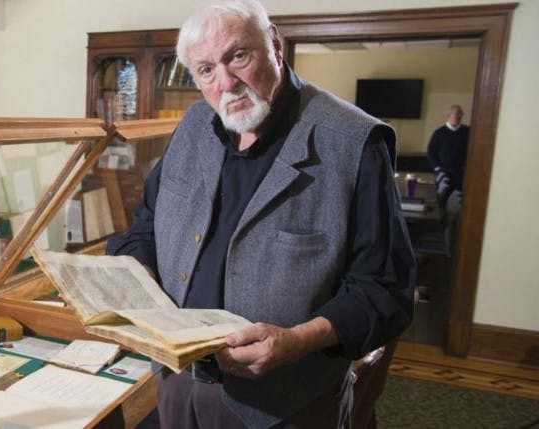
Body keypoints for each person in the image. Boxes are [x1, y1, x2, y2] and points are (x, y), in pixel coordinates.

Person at [105, 1, 416, 427]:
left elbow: (384, 290)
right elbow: (146, 228)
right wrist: (131, 277)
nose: (227, 83)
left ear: (274, 44)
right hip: (178, 386)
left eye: (238, 56)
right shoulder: (194, 125)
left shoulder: (353, 143)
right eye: (206, 70)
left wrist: (296, 340)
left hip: (286, 405)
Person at [427, 105, 469, 253]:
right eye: (454, 115)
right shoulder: (439, 133)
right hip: (444, 173)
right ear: (448, 116)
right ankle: (440, 237)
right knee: (440, 203)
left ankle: (453, 238)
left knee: (457, 207)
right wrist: (437, 169)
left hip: (461, 174)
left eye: (459, 115)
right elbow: (431, 152)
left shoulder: (467, 132)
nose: (457, 117)